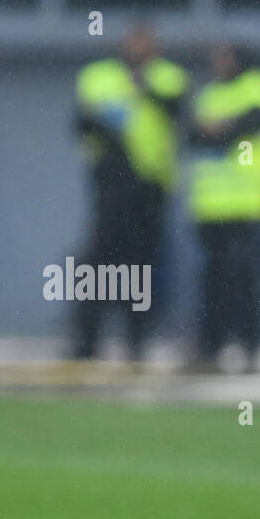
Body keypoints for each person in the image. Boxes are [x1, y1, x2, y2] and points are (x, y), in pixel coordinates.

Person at [72, 23, 189, 362]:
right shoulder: (98, 76)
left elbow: (176, 111)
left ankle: (136, 341)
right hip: (110, 184)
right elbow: (81, 122)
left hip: (150, 187)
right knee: (97, 264)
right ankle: (86, 341)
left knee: (141, 265)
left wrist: (144, 90)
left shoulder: (169, 76)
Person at [187, 43, 260, 372]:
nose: (218, 63)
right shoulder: (209, 94)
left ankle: (249, 348)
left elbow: (244, 126)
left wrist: (217, 129)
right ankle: (210, 348)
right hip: (210, 205)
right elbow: (191, 134)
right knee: (211, 281)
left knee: (244, 280)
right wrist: (216, 130)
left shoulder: (258, 88)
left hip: (248, 202)